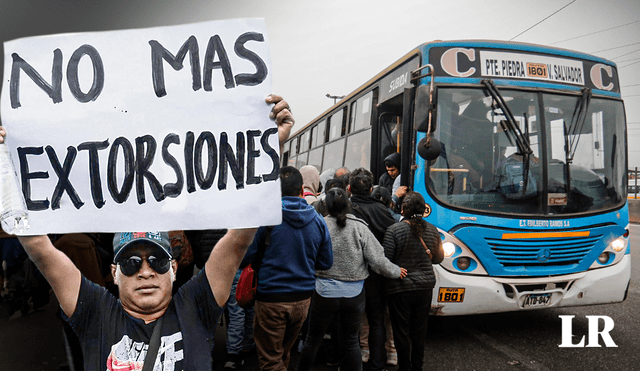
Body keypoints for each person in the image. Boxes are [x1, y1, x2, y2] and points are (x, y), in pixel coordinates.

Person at [0, 94, 294, 371]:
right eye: (131, 263)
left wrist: (267, 149)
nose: (145, 271)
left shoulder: (195, 306)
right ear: (114, 272)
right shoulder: (97, 313)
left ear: (175, 268)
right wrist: (4, 163)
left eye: (157, 261)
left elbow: (238, 240)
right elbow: (39, 246)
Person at [297, 187, 406, 371]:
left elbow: (306, 256)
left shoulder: (319, 225)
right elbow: (378, 261)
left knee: (312, 341)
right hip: (354, 295)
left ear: (326, 206)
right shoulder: (359, 227)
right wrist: (396, 271)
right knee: (351, 342)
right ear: (348, 203)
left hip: (324, 293)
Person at [243, 166, 334, 371]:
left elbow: (247, 257)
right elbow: (326, 262)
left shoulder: (266, 219)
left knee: (270, 360)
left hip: (271, 298)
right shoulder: (319, 221)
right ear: (302, 190)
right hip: (302, 298)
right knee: (284, 352)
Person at [382, 192, 444, 371]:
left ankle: (405, 367)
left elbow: (386, 260)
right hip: (424, 288)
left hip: (400, 288)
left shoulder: (394, 230)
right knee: (419, 331)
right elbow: (438, 258)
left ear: (403, 209)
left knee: (401, 332)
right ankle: (418, 366)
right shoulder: (433, 230)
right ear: (424, 210)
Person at [347, 169, 397, 371]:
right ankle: (378, 363)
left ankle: (351, 361)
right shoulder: (383, 211)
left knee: (350, 321)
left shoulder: (345, 210)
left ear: (349, 188)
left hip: (349, 274)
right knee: (377, 319)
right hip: (376, 274)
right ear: (371, 189)